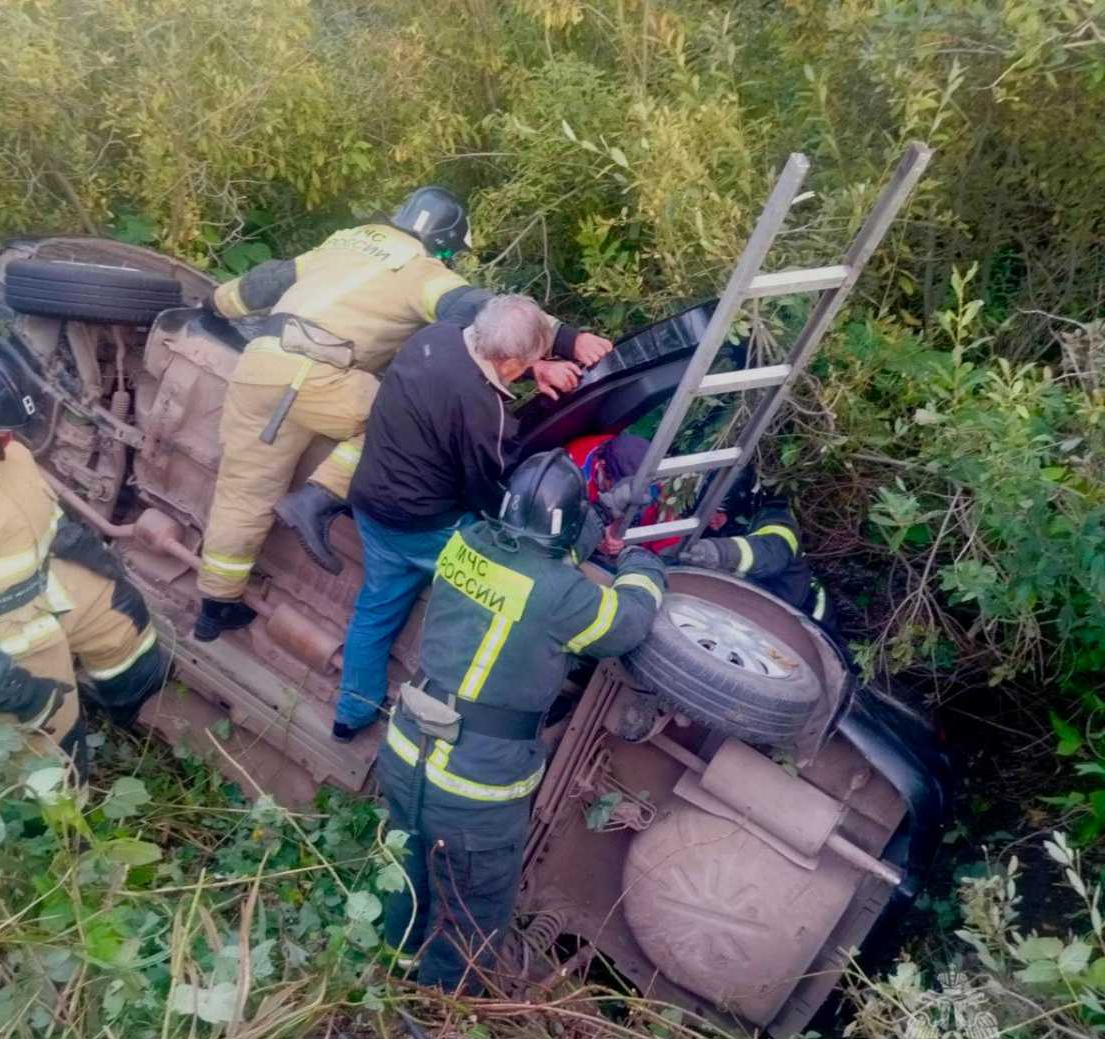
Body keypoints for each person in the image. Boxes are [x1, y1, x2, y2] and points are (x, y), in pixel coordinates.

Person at [194, 185, 612, 640]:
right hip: (319, 377)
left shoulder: (345, 240)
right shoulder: (418, 270)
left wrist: (212, 306)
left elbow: (265, 283)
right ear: (445, 241)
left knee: (241, 491)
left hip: (258, 369)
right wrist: (567, 339)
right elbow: (488, 313)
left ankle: (216, 607)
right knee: (402, 419)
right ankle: (317, 499)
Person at [378, 449, 666, 993]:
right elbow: (626, 624)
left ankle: (393, 977)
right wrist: (643, 565)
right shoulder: (562, 597)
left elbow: (529, 560)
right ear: (565, 529)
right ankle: (441, 1009)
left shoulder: (466, 544)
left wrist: (600, 512)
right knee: (469, 913)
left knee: (408, 879)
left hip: (406, 750)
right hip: (473, 788)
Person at [0, 342, 168, 776]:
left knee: (125, 625)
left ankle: (124, 722)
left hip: (42, 582)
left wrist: (90, 556)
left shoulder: (5, 453)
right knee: (44, 752)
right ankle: (59, 828)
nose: (8, 440)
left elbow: (41, 515)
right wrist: (7, 688)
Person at [332, 294, 563, 742]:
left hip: (371, 504)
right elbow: (484, 487)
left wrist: (540, 365)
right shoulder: (482, 408)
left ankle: (350, 716)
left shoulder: (433, 338)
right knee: (492, 605)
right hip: (425, 528)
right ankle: (458, 719)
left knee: (375, 610)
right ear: (511, 363)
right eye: (527, 364)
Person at [565, 431, 837, 635]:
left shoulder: (777, 521)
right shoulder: (574, 471)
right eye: (711, 512)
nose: (714, 519)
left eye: (720, 512)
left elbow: (770, 553)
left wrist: (718, 553)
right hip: (753, 611)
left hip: (805, 618)